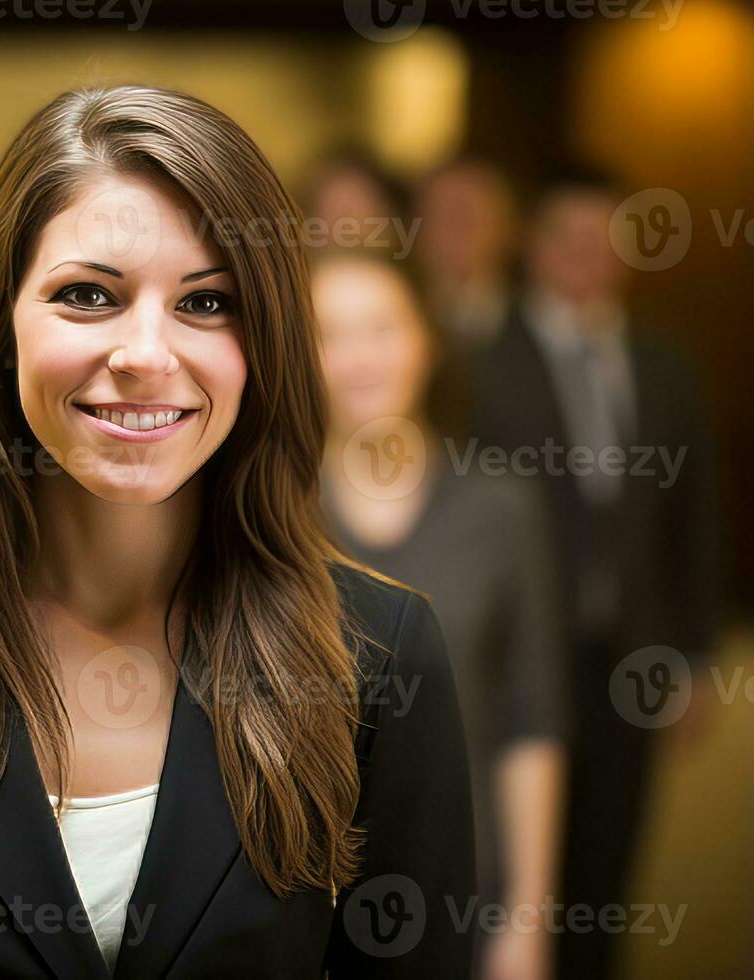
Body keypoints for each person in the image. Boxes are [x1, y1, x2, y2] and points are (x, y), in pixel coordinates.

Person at [0, 85, 476, 978]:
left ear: (265, 344)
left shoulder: (379, 658)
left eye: (205, 304)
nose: (144, 353)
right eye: (87, 294)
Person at [467, 168, 722, 980]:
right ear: (530, 246)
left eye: (603, 239)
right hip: (514, 656)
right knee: (511, 863)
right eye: (564, 237)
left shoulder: (661, 366)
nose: (584, 256)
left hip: (630, 657)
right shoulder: (478, 363)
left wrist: (693, 655)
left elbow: (694, 519)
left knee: (608, 869)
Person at [313, 251, 567, 980]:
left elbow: (530, 723)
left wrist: (527, 922)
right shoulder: (267, 511)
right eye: (330, 334)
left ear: (425, 339)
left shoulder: (499, 507)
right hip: (295, 900)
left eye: (381, 328)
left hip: (463, 889)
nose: (359, 357)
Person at [413, 156, 518, 350]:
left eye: (467, 214)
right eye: (440, 214)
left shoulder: (544, 329)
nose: (455, 227)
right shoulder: (395, 325)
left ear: (504, 227)